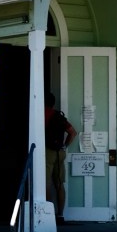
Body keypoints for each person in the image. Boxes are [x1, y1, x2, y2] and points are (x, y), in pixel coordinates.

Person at [45, 92, 77, 223]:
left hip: (47, 151)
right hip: (59, 152)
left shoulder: (41, 114)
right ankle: (60, 215)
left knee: (45, 183)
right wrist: (65, 146)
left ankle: (48, 215)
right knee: (59, 183)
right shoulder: (58, 116)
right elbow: (73, 132)